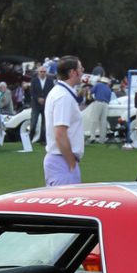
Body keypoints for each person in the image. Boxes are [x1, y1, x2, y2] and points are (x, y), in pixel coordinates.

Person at [44, 55, 85, 186]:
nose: (83, 70)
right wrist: (71, 163)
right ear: (73, 72)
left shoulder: (61, 93)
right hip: (62, 162)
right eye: (80, 68)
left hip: (61, 160)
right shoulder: (63, 97)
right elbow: (60, 133)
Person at [84, 74, 113, 143]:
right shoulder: (109, 89)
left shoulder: (98, 85)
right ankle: (102, 139)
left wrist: (89, 94)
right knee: (103, 122)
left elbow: (91, 92)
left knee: (94, 120)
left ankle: (92, 136)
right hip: (106, 104)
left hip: (98, 102)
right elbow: (109, 99)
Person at [28, 65, 53, 144]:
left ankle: (43, 140)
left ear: (46, 73)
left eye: (44, 72)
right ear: (38, 72)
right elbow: (31, 92)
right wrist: (38, 98)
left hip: (46, 104)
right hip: (36, 104)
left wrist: (45, 99)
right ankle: (29, 139)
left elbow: (52, 92)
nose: (42, 73)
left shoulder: (50, 81)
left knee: (45, 123)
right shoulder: (34, 80)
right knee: (33, 121)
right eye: (41, 72)